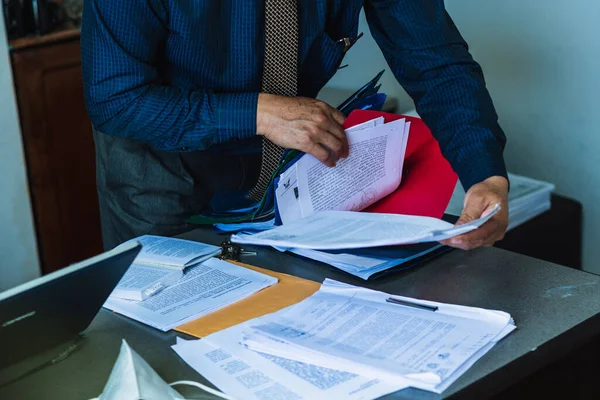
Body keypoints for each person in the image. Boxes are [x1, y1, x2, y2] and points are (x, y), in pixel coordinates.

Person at [81, 1, 509, 251]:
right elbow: (115, 99)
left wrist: (485, 173)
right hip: (162, 166)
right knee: (168, 335)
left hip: (286, 170)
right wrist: (259, 113)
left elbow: (435, 62)